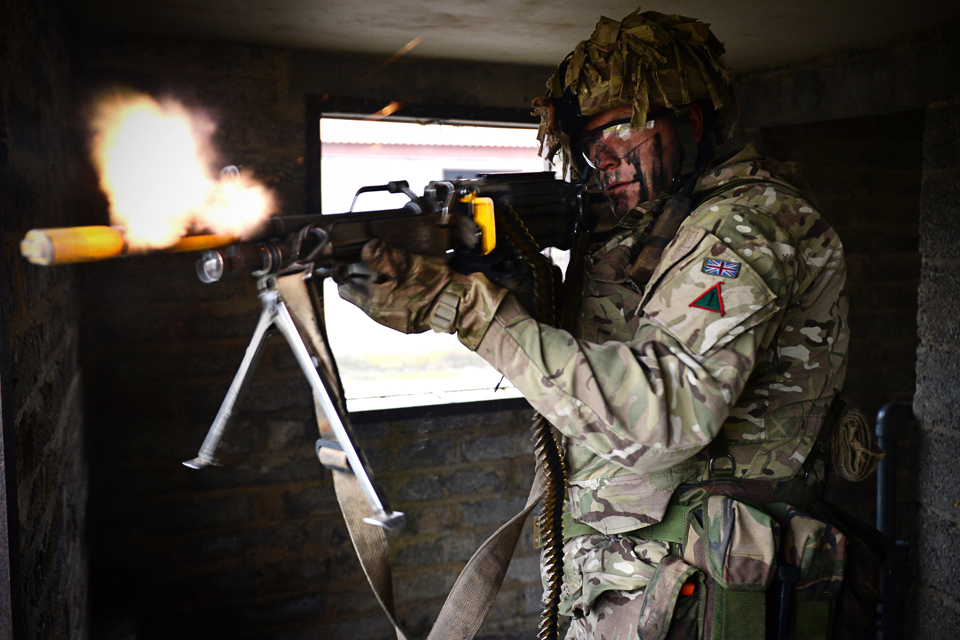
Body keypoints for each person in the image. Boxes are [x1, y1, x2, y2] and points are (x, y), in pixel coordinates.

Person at [337, 7, 871, 639]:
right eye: (591, 144)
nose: (602, 157)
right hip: (627, 588)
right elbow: (599, 362)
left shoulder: (744, 226)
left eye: (621, 132)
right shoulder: (650, 233)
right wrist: (503, 283)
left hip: (704, 596)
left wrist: (468, 309)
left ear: (689, 119)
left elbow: (663, 413)